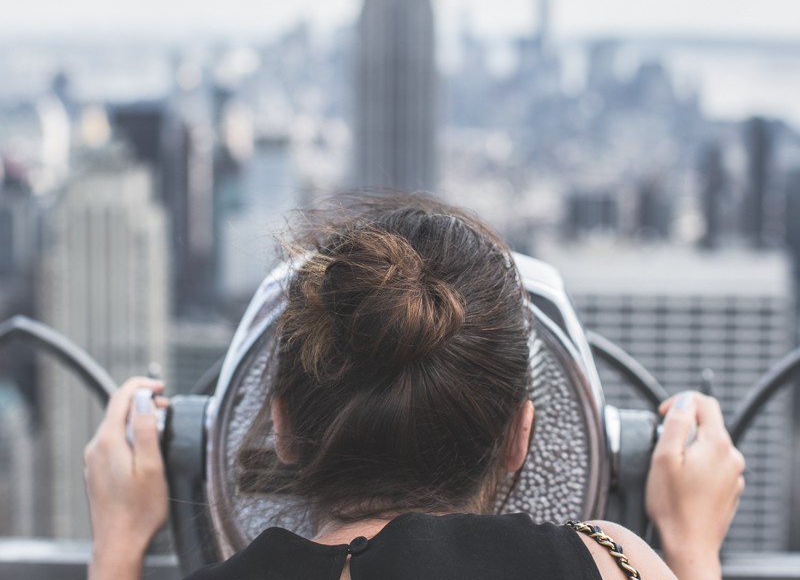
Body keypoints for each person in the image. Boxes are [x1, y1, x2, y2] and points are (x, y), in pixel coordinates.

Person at [84, 195, 745, 580]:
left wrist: (118, 541)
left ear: (280, 424)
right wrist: (688, 544)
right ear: (520, 435)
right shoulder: (612, 564)